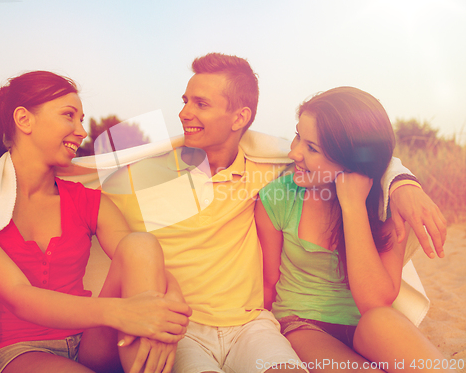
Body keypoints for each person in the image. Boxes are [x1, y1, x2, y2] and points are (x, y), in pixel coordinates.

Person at [80, 53, 446, 373]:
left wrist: (400, 183)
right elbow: (78, 192)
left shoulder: (280, 173)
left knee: (382, 326)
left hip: (299, 326)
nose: (183, 113)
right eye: (186, 100)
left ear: (240, 117)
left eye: (200, 104)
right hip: (258, 328)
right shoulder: (144, 176)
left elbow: (358, 151)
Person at [0, 71, 191, 373]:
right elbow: (20, 297)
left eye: (82, 120)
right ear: (24, 120)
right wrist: (122, 312)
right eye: (69, 116)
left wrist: (169, 301)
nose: (81, 131)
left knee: (140, 242)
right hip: (11, 350)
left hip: (88, 343)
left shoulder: (87, 201)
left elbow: (141, 257)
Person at [256, 87, 451, 372]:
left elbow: (375, 302)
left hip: (366, 324)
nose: (294, 152)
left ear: (349, 161)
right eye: (298, 136)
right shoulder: (278, 197)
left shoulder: (389, 205)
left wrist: (353, 206)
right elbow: (268, 284)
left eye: (312, 148)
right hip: (301, 325)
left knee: (386, 325)